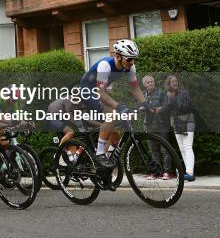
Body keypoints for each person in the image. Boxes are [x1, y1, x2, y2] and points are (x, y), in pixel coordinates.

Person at [78, 39, 145, 168]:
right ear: (118, 57)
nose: (132, 62)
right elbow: (100, 92)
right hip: (87, 91)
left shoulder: (130, 67)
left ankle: (106, 159)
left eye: (134, 59)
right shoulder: (105, 65)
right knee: (112, 115)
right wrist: (118, 106)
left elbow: (135, 88)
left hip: (100, 91)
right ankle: (99, 153)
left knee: (116, 129)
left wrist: (146, 104)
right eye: (129, 59)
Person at [156, 75, 195, 181]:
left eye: (176, 81)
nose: (175, 82)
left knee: (187, 147)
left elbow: (186, 107)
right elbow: (166, 108)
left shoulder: (184, 93)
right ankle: (188, 172)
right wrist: (158, 109)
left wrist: (172, 100)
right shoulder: (167, 95)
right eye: (172, 81)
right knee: (182, 148)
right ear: (168, 83)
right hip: (176, 124)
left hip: (187, 122)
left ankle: (190, 173)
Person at [140, 75, 173, 180]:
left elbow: (167, 107)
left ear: (154, 82)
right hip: (149, 125)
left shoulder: (161, 93)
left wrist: (156, 108)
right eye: (148, 82)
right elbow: (141, 106)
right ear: (144, 85)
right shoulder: (144, 95)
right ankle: (156, 173)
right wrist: (142, 108)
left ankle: (167, 172)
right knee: (153, 150)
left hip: (161, 124)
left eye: (151, 81)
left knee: (165, 149)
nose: (150, 83)